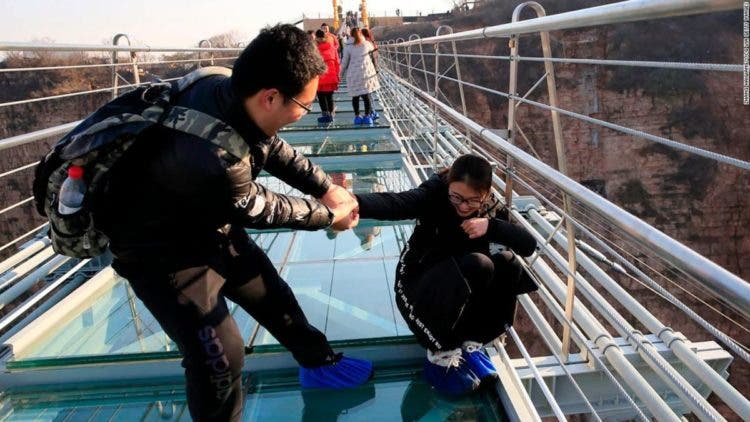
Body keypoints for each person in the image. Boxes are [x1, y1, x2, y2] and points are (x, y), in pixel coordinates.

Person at [95, 24, 371, 421]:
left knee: (272, 295)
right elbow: (259, 207)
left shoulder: (224, 88)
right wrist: (331, 215)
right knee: (221, 356)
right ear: (270, 97)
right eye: (304, 105)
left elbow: (273, 148)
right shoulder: (213, 157)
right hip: (158, 251)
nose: (302, 115)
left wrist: (326, 188)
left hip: (204, 218)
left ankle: (319, 364)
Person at [353, 154, 537, 396]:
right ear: (449, 184)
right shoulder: (434, 194)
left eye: (471, 201)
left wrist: (490, 226)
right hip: (417, 286)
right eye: (456, 197)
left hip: (457, 287)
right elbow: (398, 203)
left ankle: (473, 344)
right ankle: (439, 356)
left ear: (485, 193)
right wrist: (353, 202)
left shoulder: (489, 206)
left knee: (506, 263)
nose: (462, 206)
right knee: (478, 264)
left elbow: (528, 244)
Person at [340, 27, 380, 126]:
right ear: (360, 34)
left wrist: (339, 74)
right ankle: (367, 117)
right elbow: (374, 48)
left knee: (355, 97)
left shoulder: (348, 46)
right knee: (366, 96)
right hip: (366, 74)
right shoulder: (366, 44)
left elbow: (344, 63)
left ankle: (357, 117)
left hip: (354, 74)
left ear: (351, 35)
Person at [314, 29, 340, 125]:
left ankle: (325, 115)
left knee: (321, 96)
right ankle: (331, 114)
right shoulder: (332, 48)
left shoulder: (315, 49)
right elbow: (337, 63)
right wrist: (337, 75)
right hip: (331, 75)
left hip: (320, 76)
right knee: (329, 96)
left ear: (316, 38)